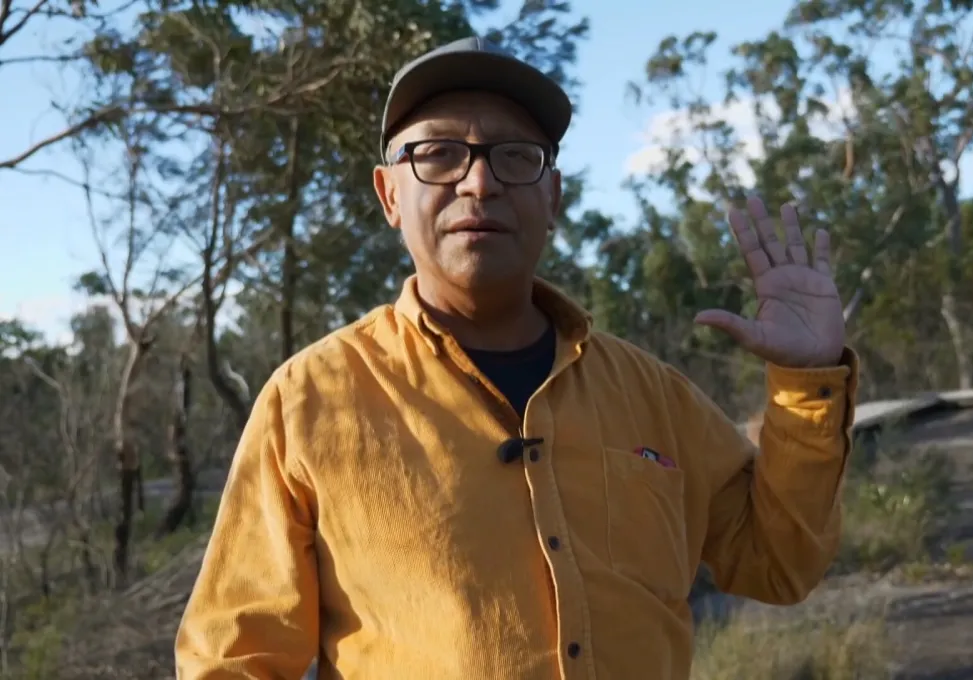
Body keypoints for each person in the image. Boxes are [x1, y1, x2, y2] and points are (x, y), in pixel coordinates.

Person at [175, 35, 859, 680]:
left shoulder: (655, 396)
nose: (478, 183)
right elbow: (234, 659)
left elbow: (780, 563)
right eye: (438, 154)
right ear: (389, 194)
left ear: (553, 196)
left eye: (514, 156)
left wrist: (806, 383)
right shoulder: (309, 402)